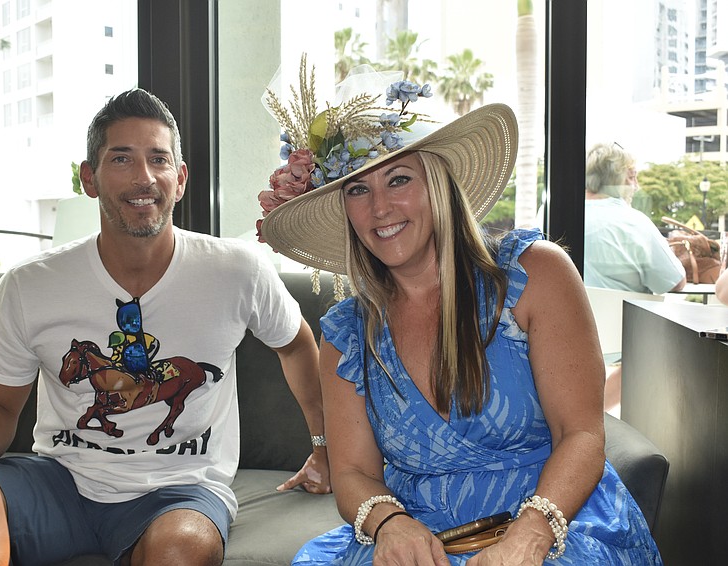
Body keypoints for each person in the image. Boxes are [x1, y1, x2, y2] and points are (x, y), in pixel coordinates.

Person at [0, 88, 330, 566]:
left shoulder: (237, 270)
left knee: (182, 549)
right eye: (121, 159)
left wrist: (322, 446)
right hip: (58, 479)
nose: (143, 177)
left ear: (180, 178)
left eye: (158, 159)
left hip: (180, 490)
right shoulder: (31, 284)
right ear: (90, 178)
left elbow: (296, 345)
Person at [258, 83, 662, 562]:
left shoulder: (535, 274)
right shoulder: (346, 335)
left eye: (399, 180)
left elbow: (582, 435)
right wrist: (390, 524)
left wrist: (529, 536)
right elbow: (351, 473)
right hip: (421, 538)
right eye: (358, 189)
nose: (380, 207)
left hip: (556, 522)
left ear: (439, 184)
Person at [583, 142, 685, 294]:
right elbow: (675, 282)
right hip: (622, 317)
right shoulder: (634, 221)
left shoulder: (552, 214)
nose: (636, 186)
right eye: (631, 177)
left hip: (563, 315)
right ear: (615, 180)